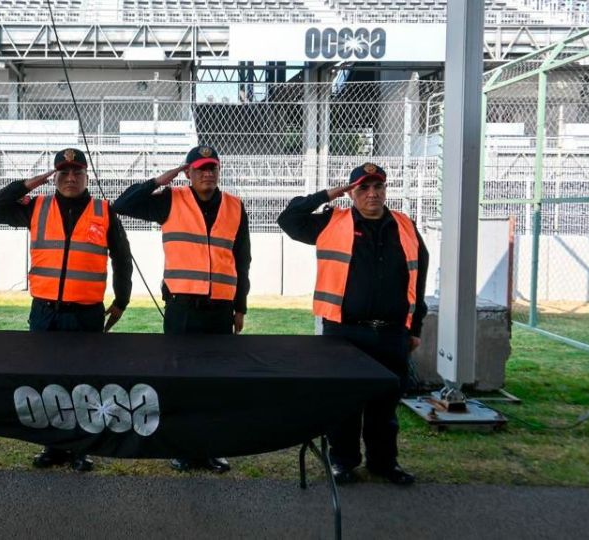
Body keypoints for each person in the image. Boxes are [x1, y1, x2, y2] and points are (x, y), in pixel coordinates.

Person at [277, 162, 428, 486]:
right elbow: (288, 219)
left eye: (378, 187)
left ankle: (384, 463)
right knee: (345, 403)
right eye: (363, 188)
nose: (372, 194)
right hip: (344, 331)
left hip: (391, 333)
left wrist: (414, 328)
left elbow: (420, 276)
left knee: (385, 405)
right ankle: (342, 462)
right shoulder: (332, 221)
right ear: (351, 192)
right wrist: (329, 193)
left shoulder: (405, 225)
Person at [0, 147, 133, 472]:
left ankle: (81, 448)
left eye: (76, 172)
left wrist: (122, 299)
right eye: (62, 172)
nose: (70, 178)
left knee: (83, 382)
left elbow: (122, 257)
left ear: (86, 175)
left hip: (86, 313)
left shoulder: (104, 210)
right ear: (54, 177)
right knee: (46, 382)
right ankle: (53, 446)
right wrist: (28, 184)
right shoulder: (36, 206)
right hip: (45, 311)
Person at [112, 145, 251, 474]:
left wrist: (240, 305)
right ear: (188, 172)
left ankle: (212, 449)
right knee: (181, 382)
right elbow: (122, 204)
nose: (207, 173)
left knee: (216, 384)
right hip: (182, 308)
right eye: (200, 168)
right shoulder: (170, 200)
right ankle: (184, 448)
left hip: (220, 309)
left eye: (212, 168)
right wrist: (163, 178)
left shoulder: (234, 206)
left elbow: (241, 259)